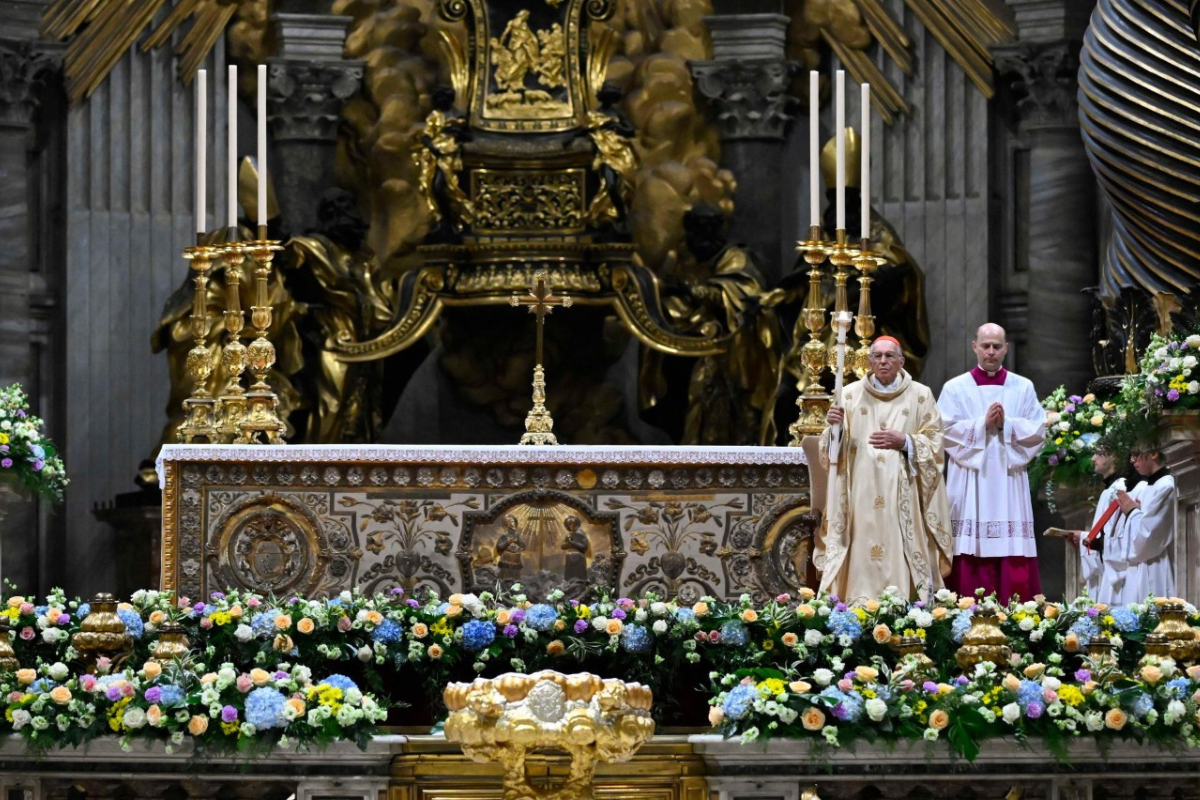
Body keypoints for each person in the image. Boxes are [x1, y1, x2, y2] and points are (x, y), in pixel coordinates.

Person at [816, 335, 953, 603]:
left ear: (901, 361)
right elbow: (830, 456)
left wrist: (905, 441)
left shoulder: (921, 395)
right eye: (877, 356)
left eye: (890, 356)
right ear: (869, 362)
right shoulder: (849, 395)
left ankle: (905, 604)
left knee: (898, 546)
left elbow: (936, 444)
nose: (883, 361)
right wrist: (835, 428)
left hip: (902, 493)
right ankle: (856, 602)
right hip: (860, 490)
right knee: (860, 545)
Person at [937, 323, 1045, 601]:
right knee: (968, 546)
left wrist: (1006, 425)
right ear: (974, 346)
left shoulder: (1022, 387)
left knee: (1012, 546)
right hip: (969, 482)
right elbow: (941, 431)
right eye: (985, 345)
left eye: (997, 346)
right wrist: (981, 425)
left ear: (1006, 349)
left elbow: (1038, 430)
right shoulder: (955, 388)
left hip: (1008, 481)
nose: (991, 351)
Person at [1105, 446, 1176, 603]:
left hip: (1153, 562)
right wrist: (1134, 512)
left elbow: (1149, 534)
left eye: (1136, 454)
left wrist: (1132, 512)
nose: (1132, 460)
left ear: (1154, 454)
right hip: (1138, 563)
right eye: (1131, 455)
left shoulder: (1165, 486)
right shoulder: (1149, 486)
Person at [1066, 443, 1127, 602]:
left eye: (1099, 454)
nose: (1093, 459)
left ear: (1114, 456)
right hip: (1106, 565)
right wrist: (1084, 538)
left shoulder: (1119, 488)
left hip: (1116, 571)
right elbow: (1103, 532)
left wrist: (1087, 539)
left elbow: (1116, 534)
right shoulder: (1109, 490)